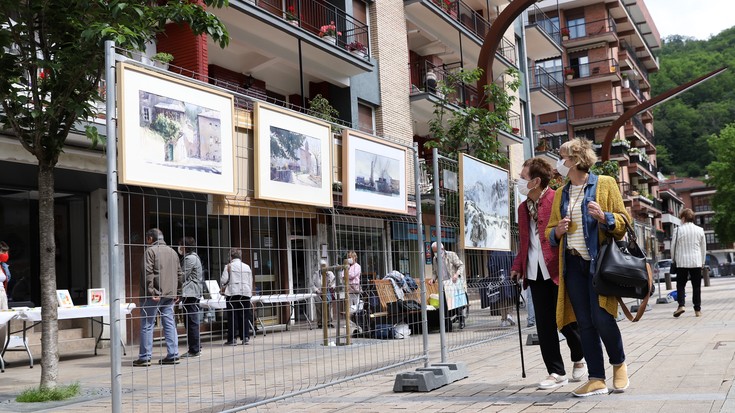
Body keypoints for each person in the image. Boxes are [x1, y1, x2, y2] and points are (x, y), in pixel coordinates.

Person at [545, 138, 631, 397]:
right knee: (584, 323)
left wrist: (605, 217)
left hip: (599, 264)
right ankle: (596, 378)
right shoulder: (560, 192)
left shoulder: (605, 183)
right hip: (572, 265)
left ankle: (618, 363)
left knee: (602, 317)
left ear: (575, 159)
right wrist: (557, 232)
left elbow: (624, 222)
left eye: (562, 156)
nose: (559, 162)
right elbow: (550, 231)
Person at [510, 157, 586, 390]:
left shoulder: (556, 198)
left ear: (535, 181)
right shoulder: (523, 208)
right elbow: (525, 242)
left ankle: (579, 356)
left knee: (565, 320)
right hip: (534, 271)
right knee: (543, 325)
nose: (518, 182)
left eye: (522, 178)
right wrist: (517, 266)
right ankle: (555, 371)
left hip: (558, 269)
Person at [134, 228, 182, 367]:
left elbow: (147, 273)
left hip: (153, 294)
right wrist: (178, 291)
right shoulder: (173, 252)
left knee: (148, 325)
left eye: (146, 239)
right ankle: (173, 354)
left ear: (150, 238)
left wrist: (151, 291)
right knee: (169, 323)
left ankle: (144, 357)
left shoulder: (150, 251)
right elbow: (179, 273)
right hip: (169, 294)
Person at [671, 208, 707, 317]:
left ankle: (681, 305)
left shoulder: (677, 230)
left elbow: (673, 247)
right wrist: (702, 262)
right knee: (696, 286)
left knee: (681, 285)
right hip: (696, 261)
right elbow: (703, 248)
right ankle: (697, 310)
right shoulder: (700, 230)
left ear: (683, 218)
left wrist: (673, 260)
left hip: (682, 261)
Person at [221, 248, 253, 345]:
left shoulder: (228, 266)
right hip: (246, 293)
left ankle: (232, 339)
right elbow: (250, 281)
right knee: (245, 315)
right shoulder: (247, 267)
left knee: (232, 316)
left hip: (232, 293)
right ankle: (245, 337)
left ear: (231, 257)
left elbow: (223, 280)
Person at [431, 242, 466, 329]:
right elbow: (435, 272)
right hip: (443, 284)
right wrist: (433, 279)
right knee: (444, 306)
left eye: (436, 251)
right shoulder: (435, 259)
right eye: (434, 251)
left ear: (442, 249)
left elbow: (461, 266)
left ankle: (461, 320)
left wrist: (456, 275)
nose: (435, 253)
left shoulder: (451, 255)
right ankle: (447, 326)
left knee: (457, 304)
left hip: (453, 282)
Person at [179, 236, 203, 357]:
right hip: (193, 292)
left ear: (185, 246)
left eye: (181, 245)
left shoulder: (190, 259)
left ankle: (194, 349)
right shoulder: (194, 257)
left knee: (191, 321)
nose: (180, 247)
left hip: (190, 293)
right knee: (192, 320)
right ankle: (196, 346)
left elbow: (182, 275)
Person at [311, 260, 336, 328]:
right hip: (319, 294)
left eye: (324, 265)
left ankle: (328, 322)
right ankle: (320, 323)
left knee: (328, 308)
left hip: (327, 293)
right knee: (319, 308)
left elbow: (334, 282)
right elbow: (312, 284)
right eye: (322, 266)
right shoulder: (316, 274)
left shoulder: (330, 273)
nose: (323, 267)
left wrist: (332, 287)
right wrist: (317, 290)